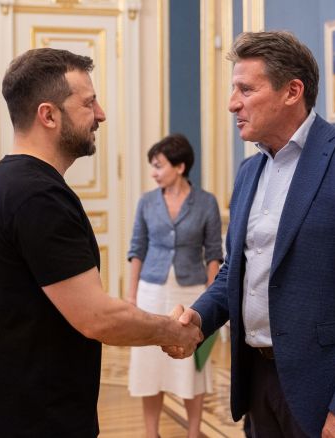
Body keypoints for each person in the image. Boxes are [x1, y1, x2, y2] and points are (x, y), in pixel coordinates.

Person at [169, 31, 335, 438]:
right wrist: (200, 316)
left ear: (292, 91)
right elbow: (235, 272)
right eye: (233, 89)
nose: (232, 104)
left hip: (325, 391)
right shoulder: (249, 172)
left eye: (246, 89)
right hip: (256, 382)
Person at [0, 48, 202, 437]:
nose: (101, 114)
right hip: (39, 423)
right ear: (48, 115)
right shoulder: (37, 197)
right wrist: (174, 331)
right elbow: (98, 318)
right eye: (88, 102)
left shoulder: (4, 183)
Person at [126, 133, 223, 438]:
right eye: (152, 166)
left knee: (193, 366)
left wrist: (211, 295)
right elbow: (137, 249)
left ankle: (193, 433)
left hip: (192, 292)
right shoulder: (146, 201)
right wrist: (131, 295)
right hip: (150, 291)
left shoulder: (206, 202)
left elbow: (214, 254)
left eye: (159, 165)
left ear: (180, 167)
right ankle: (151, 433)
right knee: (149, 365)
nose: (153, 172)